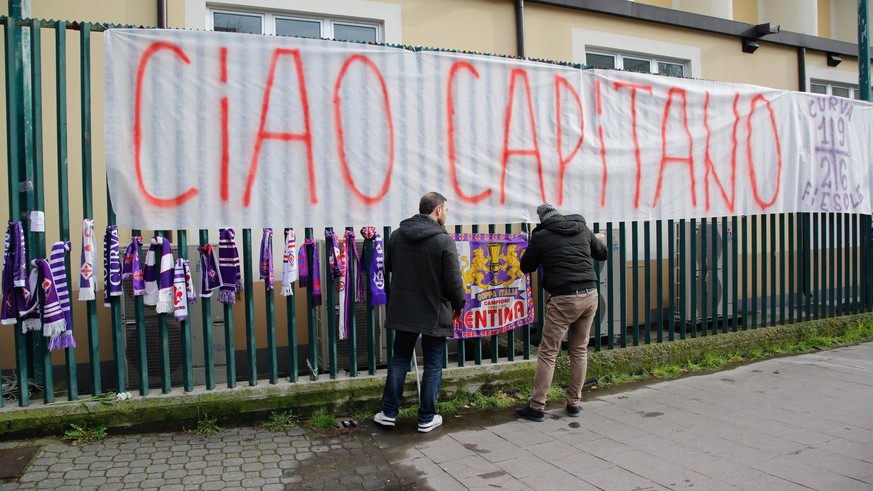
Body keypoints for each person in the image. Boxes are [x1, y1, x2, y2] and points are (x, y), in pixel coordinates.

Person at [374, 192, 466, 433]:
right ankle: (426, 417)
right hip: (433, 310)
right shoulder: (443, 241)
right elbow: (453, 280)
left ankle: (388, 412)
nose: (446, 213)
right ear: (437, 210)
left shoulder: (396, 236)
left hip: (403, 309)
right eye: (445, 209)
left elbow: (390, 267)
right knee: (434, 363)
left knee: (399, 360)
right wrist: (459, 304)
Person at [515, 203, 608, 422]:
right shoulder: (582, 229)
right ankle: (574, 403)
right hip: (590, 295)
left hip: (564, 298)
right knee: (579, 350)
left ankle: (537, 407)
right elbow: (601, 254)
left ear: (542, 220)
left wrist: (532, 245)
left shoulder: (543, 236)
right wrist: (597, 239)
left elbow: (526, 266)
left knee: (548, 352)